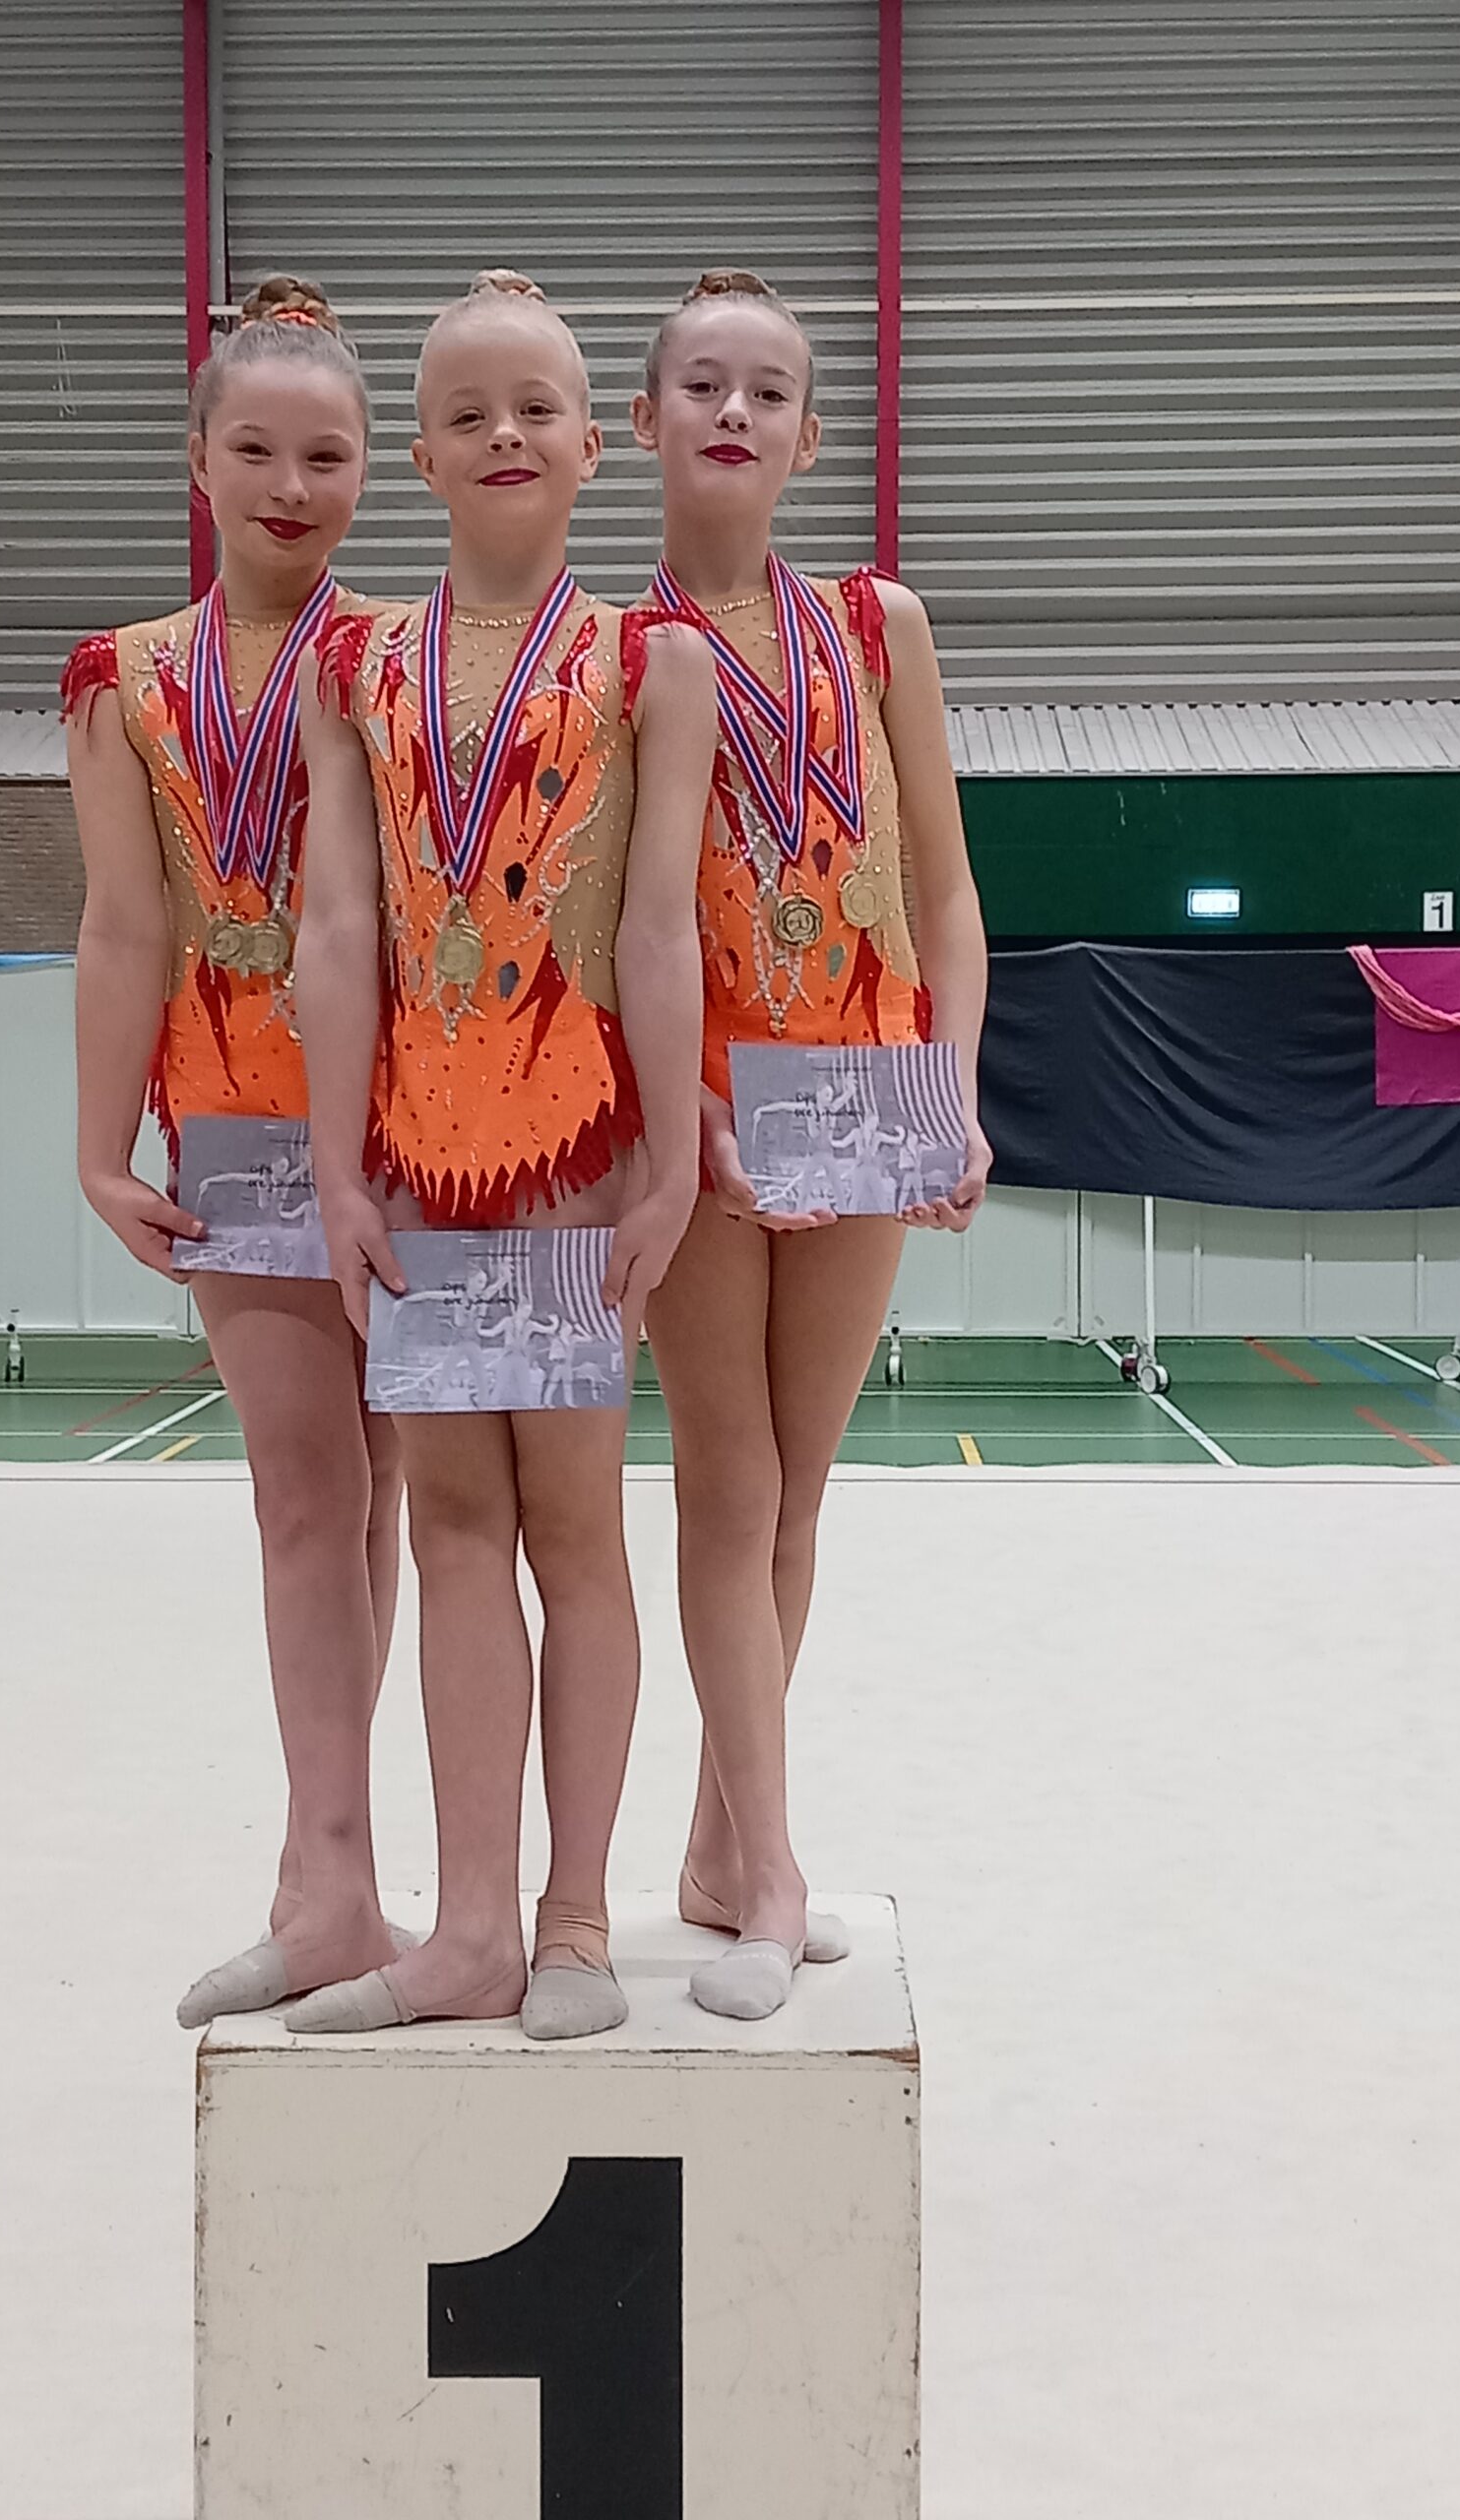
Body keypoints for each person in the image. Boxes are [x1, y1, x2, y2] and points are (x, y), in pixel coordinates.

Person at [284, 270, 717, 2042]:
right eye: (466, 414)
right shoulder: (356, 667)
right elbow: (334, 929)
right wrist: (335, 1168)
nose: (505, 436)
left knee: (577, 1531)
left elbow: (662, 928)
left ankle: (576, 1916)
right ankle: (468, 1925)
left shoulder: (651, 665)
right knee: (454, 1524)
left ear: (597, 444)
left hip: (576, 1159)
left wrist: (669, 1165)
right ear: (421, 458)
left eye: (537, 408)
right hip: (414, 1166)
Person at [633, 269, 995, 2019]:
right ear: (642, 424)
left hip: (863, 1102)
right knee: (731, 1476)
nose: (734, 411)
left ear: (811, 435)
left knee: (805, 1481)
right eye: (702, 384)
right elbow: (599, 925)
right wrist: (676, 1105)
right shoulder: (611, 650)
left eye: (766, 390)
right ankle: (771, 1867)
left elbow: (946, 888)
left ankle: (724, 1848)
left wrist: (956, 1088)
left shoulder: (878, 626)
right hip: (704, 1122)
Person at [62, 276, 405, 2029]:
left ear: (370, 473)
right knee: (304, 1492)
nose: (290, 485)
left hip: (409, 1126)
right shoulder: (122, 683)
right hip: (238, 1128)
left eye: (326, 456)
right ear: (196, 458)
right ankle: (326, 1876)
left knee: (389, 1497)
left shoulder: (405, 658)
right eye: (257, 450)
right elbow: (125, 924)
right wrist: (95, 1146)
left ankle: (339, 1869)